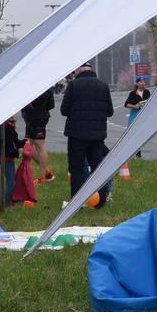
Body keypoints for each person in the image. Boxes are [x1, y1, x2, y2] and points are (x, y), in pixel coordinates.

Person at [60, 62, 114, 206]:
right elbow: (110, 111)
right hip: (97, 136)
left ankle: (77, 203)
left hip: (77, 135)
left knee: (77, 169)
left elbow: (64, 110)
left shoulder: (73, 85)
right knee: (98, 169)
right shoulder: (103, 86)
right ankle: (101, 200)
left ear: (78, 68)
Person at [21, 86, 56, 184]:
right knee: (27, 145)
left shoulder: (43, 87)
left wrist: (36, 104)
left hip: (39, 117)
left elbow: (50, 104)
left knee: (39, 145)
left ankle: (43, 178)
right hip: (29, 117)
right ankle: (47, 173)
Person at [0, 117, 26, 206]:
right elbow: (7, 146)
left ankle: (7, 201)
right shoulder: (4, 131)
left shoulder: (11, 130)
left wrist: (23, 143)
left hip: (9, 159)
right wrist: (16, 154)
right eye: (12, 121)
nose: (14, 123)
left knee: (10, 181)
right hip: (5, 158)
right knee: (11, 183)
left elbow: (15, 142)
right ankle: (5, 203)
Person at [124, 78, 151, 159]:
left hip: (144, 116)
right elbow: (126, 104)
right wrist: (135, 106)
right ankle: (135, 153)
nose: (143, 83)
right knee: (133, 134)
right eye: (141, 82)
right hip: (134, 115)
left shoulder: (147, 92)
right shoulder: (133, 93)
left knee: (140, 135)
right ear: (137, 84)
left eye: (144, 82)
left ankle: (138, 153)